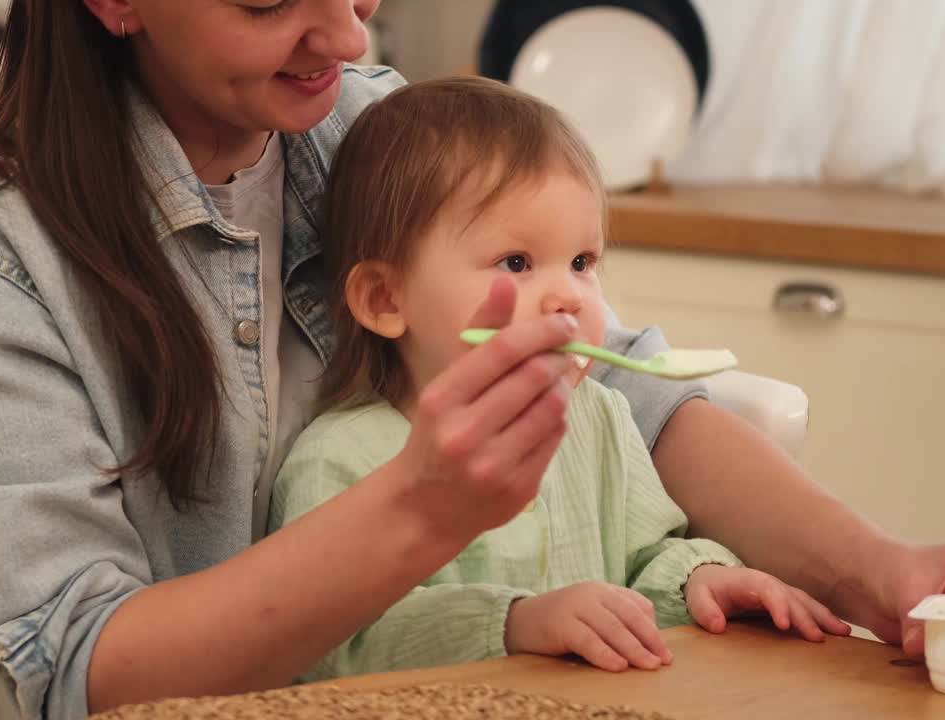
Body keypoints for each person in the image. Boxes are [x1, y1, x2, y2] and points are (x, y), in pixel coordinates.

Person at [0, 1, 945, 718]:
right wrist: (422, 510)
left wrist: (877, 573)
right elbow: (77, 669)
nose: (345, 32)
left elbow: (631, 394)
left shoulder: (356, 121)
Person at [269, 77, 853, 681]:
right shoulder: (337, 461)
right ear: (385, 298)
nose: (568, 297)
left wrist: (704, 580)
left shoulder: (598, 416)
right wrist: (515, 623)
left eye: (582, 263)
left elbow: (646, 557)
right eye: (517, 263)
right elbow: (336, 648)